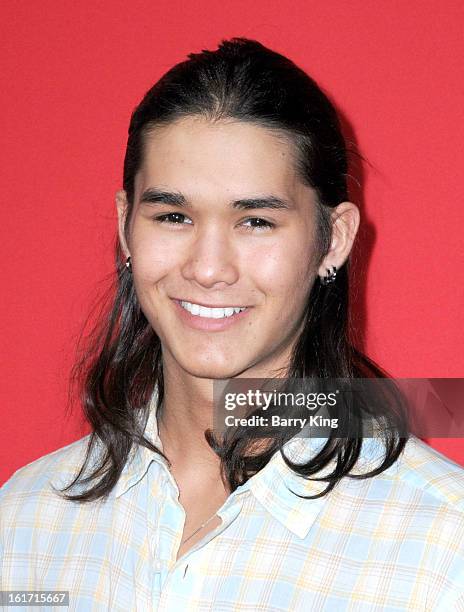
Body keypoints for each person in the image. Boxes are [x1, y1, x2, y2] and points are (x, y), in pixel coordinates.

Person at [1, 37, 463, 611]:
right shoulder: (22, 522)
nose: (208, 268)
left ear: (334, 239)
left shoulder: (444, 548)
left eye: (257, 222)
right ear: (125, 226)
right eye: (173, 216)